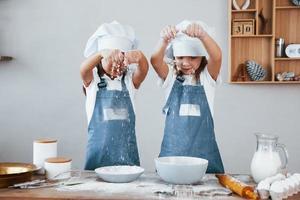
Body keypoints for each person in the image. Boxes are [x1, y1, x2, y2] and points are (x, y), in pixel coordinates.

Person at [150, 20, 224, 173]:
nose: (185, 63)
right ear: (174, 56)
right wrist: (164, 40)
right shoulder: (170, 77)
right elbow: (155, 61)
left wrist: (203, 36)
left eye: (192, 58)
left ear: (202, 57)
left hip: (205, 158)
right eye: (181, 57)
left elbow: (217, 57)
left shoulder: (207, 77)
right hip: (172, 158)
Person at [80, 21, 149, 170]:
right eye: (109, 60)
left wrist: (140, 57)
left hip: (127, 159)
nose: (116, 65)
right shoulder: (93, 82)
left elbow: (143, 70)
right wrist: (101, 53)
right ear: (100, 60)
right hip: (97, 159)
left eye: (121, 62)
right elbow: (83, 70)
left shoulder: (129, 82)